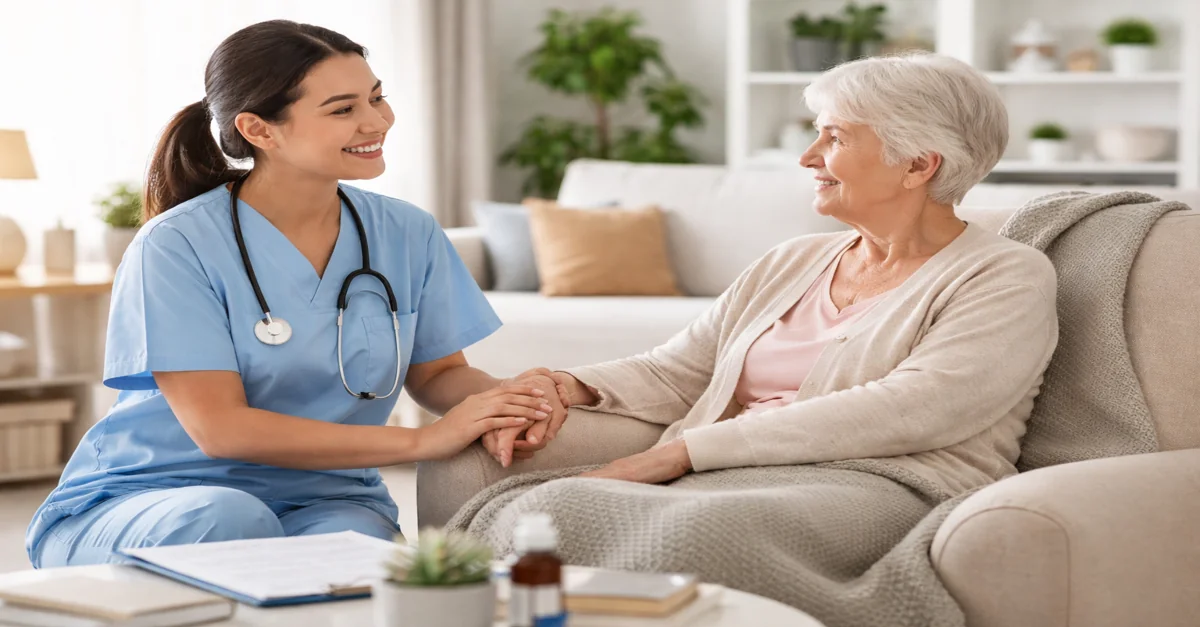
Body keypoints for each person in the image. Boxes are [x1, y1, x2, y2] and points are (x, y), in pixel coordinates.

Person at [419, 52, 1060, 528]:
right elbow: (680, 370)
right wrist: (568, 385)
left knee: (668, 524)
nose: (808, 157)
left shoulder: (1004, 275)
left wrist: (680, 456)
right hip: (744, 470)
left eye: (834, 137)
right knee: (544, 500)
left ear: (919, 164)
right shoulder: (794, 260)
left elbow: (913, 407)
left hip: (885, 481)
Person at [26, 20, 567, 568]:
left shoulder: (407, 232)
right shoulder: (176, 245)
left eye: (377, 98)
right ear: (260, 130)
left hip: (323, 494)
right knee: (233, 522)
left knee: (359, 558)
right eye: (343, 109)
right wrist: (425, 443)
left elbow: (437, 374)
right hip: (156, 497)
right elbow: (222, 429)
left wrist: (510, 400)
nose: (377, 121)